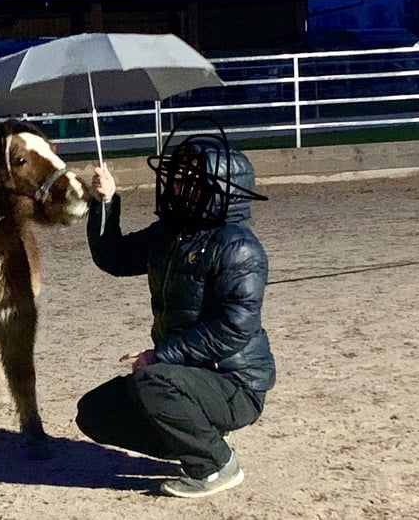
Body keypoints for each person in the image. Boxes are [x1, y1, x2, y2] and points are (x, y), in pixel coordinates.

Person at [75, 121, 276, 498]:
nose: (175, 185)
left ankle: (216, 466)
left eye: (187, 179)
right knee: (95, 412)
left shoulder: (239, 247)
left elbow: (235, 328)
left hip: (235, 384)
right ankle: (199, 437)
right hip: (186, 377)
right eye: (177, 177)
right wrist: (106, 202)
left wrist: (160, 355)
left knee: (152, 381)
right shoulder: (171, 233)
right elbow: (114, 257)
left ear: (215, 190)